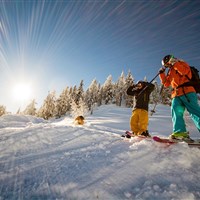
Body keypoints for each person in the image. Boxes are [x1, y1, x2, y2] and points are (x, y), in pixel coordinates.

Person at [159, 54, 200, 140]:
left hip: (187, 91)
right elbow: (166, 84)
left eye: (167, 64)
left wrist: (175, 63)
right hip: (176, 94)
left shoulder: (182, 63)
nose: (168, 66)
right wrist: (162, 74)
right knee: (176, 112)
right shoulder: (170, 71)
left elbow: (184, 72)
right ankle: (180, 132)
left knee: (195, 112)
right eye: (166, 65)